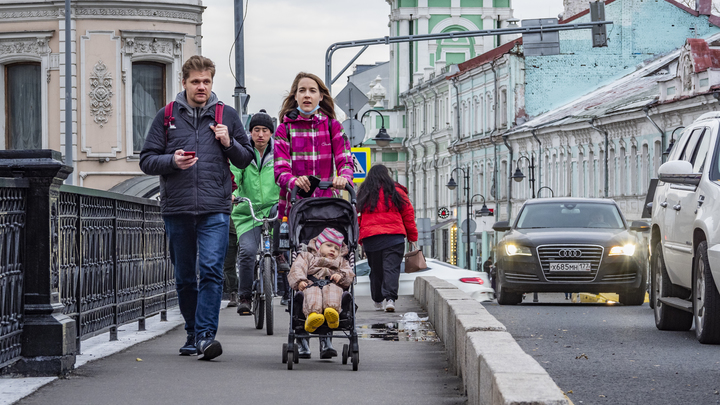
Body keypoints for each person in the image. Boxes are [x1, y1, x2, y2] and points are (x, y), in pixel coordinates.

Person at [139, 55, 254, 361]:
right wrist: (172, 161)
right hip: (177, 209)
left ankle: (205, 336)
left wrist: (229, 142)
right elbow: (147, 159)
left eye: (207, 81)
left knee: (212, 270)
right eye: (196, 82)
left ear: (212, 83)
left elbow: (247, 158)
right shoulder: (166, 116)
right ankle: (192, 332)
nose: (201, 87)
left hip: (215, 208)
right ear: (184, 82)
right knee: (186, 275)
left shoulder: (226, 115)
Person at [274, 72, 354, 359]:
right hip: (297, 208)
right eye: (301, 91)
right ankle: (303, 335)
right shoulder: (284, 129)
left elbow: (345, 159)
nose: (307, 95)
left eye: (312, 91)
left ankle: (327, 338)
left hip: (328, 210)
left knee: (331, 268)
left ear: (321, 96)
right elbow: (280, 169)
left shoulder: (332, 126)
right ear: (295, 96)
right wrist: (293, 181)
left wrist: (343, 177)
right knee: (302, 269)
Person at [230, 109, 281, 315]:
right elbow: (233, 174)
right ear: (250, 132)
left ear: (271, 133)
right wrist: (232, 194)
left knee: (284, 214)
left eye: (265, 130)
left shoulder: (279, 152)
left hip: (272, 207)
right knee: (248, 252)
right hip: (247, 211)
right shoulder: (242, 152)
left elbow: (286, 172)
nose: (260, 134)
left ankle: (278, 254)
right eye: (256, 130)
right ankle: (245, 297)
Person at [357, 164, 418, 313]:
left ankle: (378, 300)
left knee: (376, 270)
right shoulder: (397, 192)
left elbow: (357, 217)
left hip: (371, 238)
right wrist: (412, 237)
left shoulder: (364, 193)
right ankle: (390, 300)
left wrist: (360, 239)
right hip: (394, 237)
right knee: (391, 269)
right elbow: (408, 216)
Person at [287, 228, 354, 333]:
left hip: (332, 284)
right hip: (311, 284)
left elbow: (349, 273)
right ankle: (313, 316)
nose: (333, 250)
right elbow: (297, 268)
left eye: (337, 248)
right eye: (329, 246)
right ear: (318, 246)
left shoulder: (341, 261)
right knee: (312, 292)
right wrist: (300, 281)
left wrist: (341, 276)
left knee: (334, 291)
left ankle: (332, 314)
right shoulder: (307, 256)